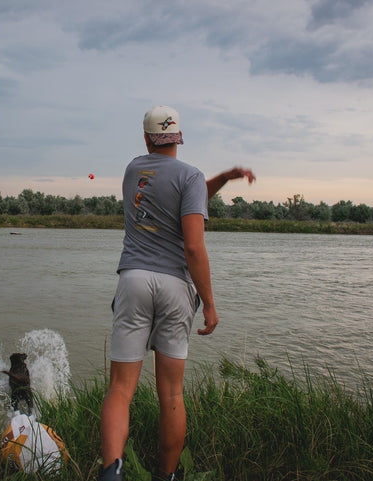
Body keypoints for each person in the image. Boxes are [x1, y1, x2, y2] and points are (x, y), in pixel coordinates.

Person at [99, 106, 255, 481]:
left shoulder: (134, 170)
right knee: (171, 394)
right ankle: (166, 476)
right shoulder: (190, 176)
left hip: (134, 279)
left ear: (147, 137)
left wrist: (222, 179)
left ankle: (111, 471)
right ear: (179, 137)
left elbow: (187, 193)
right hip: (175, 287)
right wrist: (211, 305)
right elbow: (193, 246)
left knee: (121, 388)